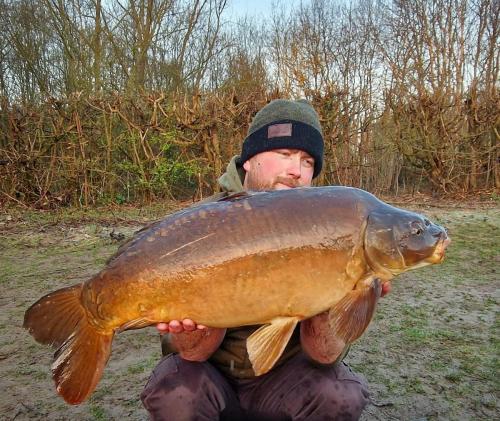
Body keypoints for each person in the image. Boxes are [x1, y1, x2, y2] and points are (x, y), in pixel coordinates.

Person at [141, 99, 391, 420]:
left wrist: (343, 290)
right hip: (210, 377)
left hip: (284, 382)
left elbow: (324, 354)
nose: (295, 171)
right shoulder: (199, 224)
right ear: (249, 160)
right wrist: (195, 319)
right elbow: (193, 351)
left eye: (307, 161)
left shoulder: (331, 231)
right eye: (284, 154)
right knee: (174, 389)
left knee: (340, 393)